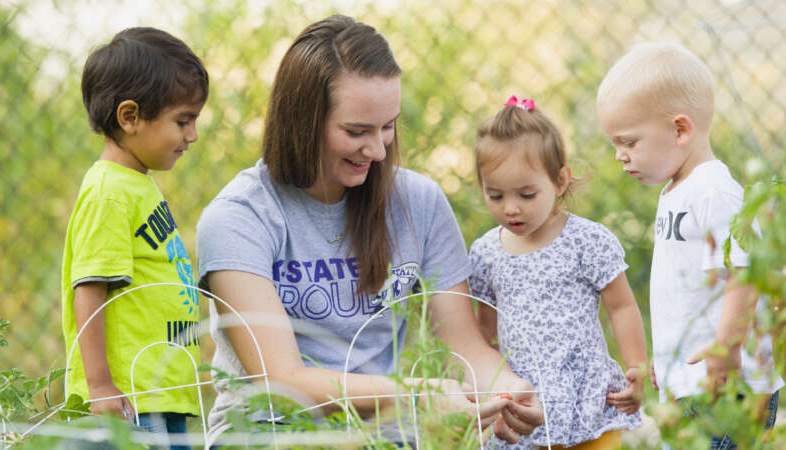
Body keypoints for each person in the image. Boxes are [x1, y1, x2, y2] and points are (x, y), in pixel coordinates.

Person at [195, 14, 544, 447]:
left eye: (388, 126)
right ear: (302, 121)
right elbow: (281, 383)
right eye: (356, 131)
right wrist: (415, 397)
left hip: (385, 434)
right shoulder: (239, 217)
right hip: (270, 432)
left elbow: (463, 346)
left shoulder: (419, 203)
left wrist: (507, 390)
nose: (379, 150)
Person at [597, 42, 784, 449]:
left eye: (628, 141)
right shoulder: (676, 191)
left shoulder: (713, 189)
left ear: (680, 130)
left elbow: (745, 272)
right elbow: (682, 290)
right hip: (693, 385)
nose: (619, 155)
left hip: (726, 385)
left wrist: (726, 345)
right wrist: (665, 361)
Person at [469, 95, 648, 449]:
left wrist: (637, 368)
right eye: (496, 195)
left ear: (560, 181)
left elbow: (622, 307)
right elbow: (484, 331)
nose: (511, 208)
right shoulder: (486, 253)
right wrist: (482, 389)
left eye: (526, 194)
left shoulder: (587, 241)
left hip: (587, 396)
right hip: (523, 400)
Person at [61, 27, 208, 450]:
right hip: (133, 396)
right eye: (183, 121)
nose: (192, 136)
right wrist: (101, 385)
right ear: (130, 117)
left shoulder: (137, 184)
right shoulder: (109, 192)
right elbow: (89, 290)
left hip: (159, 392)